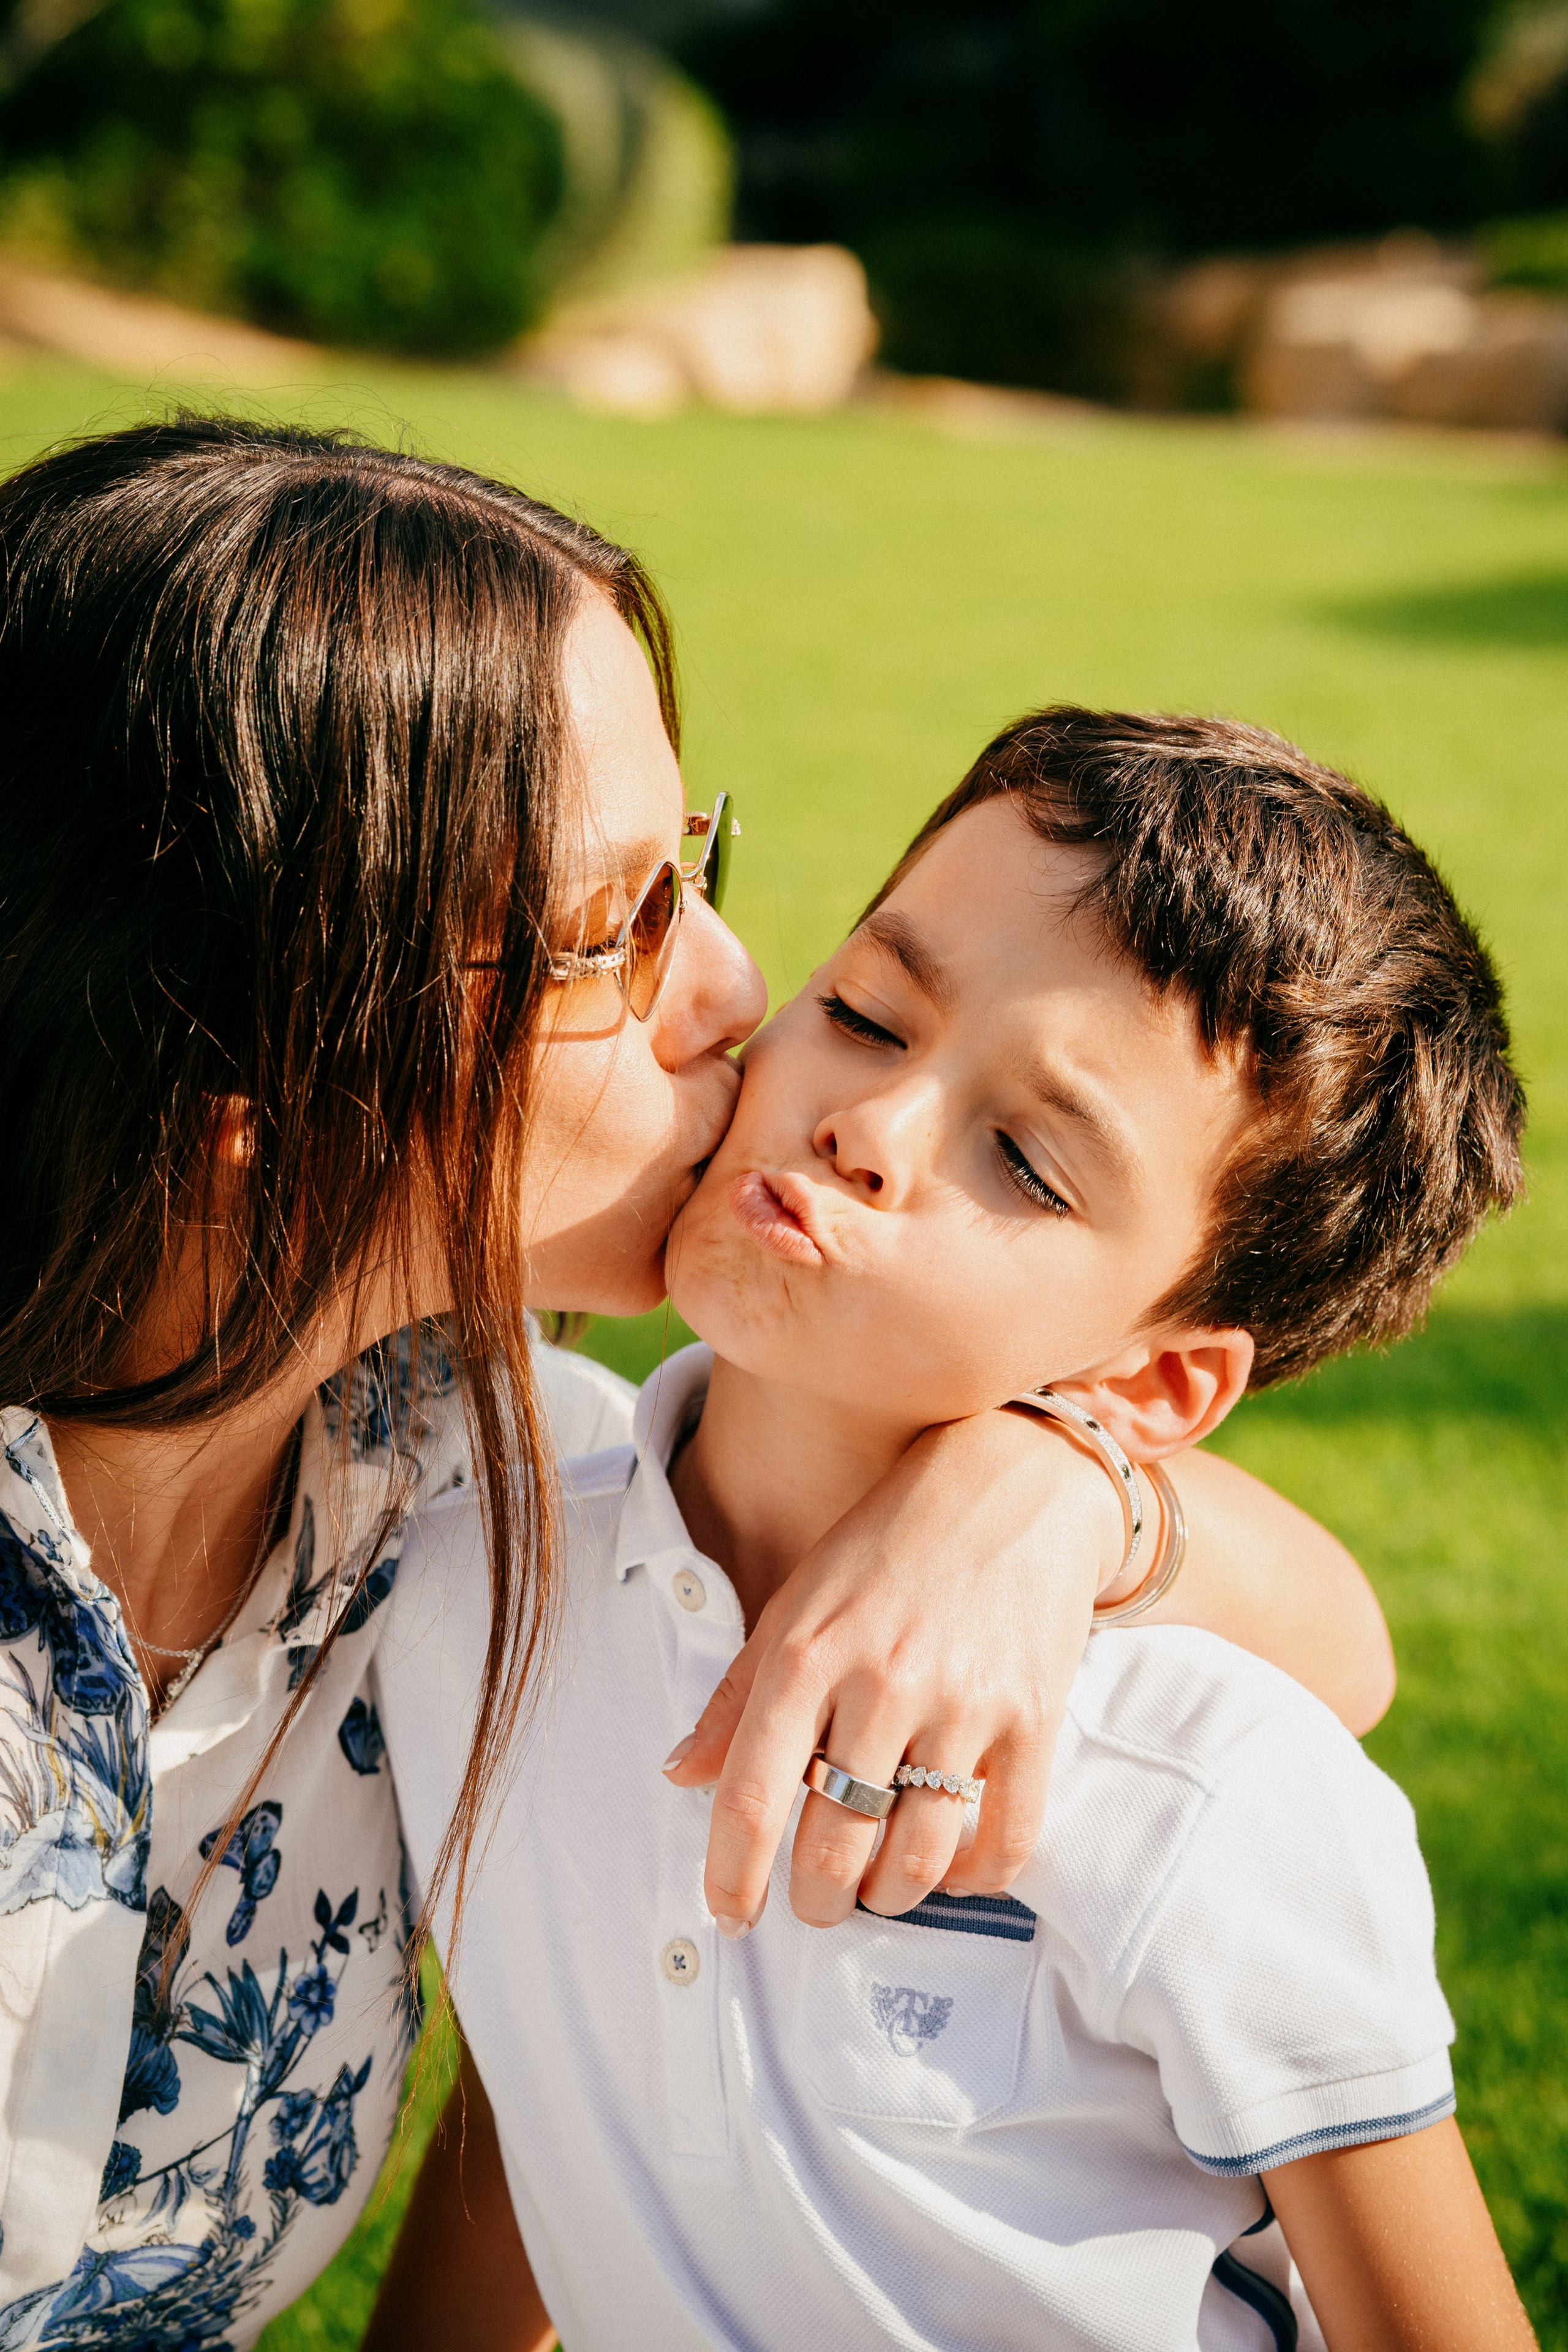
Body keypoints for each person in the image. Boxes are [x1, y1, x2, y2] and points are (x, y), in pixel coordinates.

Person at [0, 421, 1389, 2347]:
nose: (739, 988)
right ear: (244, 1087)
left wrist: (1044, 1493)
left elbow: (1339, 1638)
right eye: (616, 928)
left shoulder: (450, 1476)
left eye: (698, 866)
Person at [374, 708, 1532, 2352]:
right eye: (861, 1010)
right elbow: (552, 2062)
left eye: (1027, 1160)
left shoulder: (1203, 1787)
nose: (872, 1128)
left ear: (1159, 1377)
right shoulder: (474, 1572)